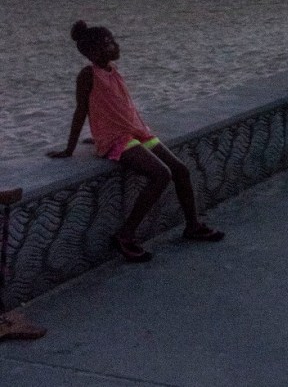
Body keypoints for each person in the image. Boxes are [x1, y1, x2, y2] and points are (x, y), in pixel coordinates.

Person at [48, 20, 223, 262]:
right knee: (161, 175)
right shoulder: (88, 75)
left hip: (136, 132)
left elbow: (112, 106)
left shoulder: (112, 70)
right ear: (92, 51)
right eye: (108, 43)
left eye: (113, 41)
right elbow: (81, 111)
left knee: (180, 170)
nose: (115, 46)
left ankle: (192, 225)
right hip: (116, 138)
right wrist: (69, 148)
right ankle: (125, 235)